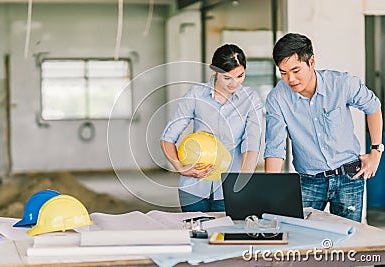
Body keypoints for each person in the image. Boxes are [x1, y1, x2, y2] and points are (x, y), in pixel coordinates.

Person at [264, 33, 383, 222]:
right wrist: (270, 189)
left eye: (296, 70)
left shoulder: (341, 84)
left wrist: (376, 150)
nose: (290, 79)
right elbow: (275, 147)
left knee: (349, 243)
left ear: (311, 62)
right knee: (303, 239)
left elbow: (373, 107)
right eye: (283, 72)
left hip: (349, 177)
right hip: (309, 180)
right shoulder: (277, 98)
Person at [161, 44, 263, 212]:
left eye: (240, 76)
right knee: (196, 236)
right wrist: (180, 168)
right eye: (227, 78)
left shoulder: (251, 99)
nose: (234, 83)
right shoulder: (196, 94)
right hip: (193, 187)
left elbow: (251, 145)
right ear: (214, 71)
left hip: (230, 189)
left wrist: (243, 183)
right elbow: (168, 137)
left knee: (225, 236)